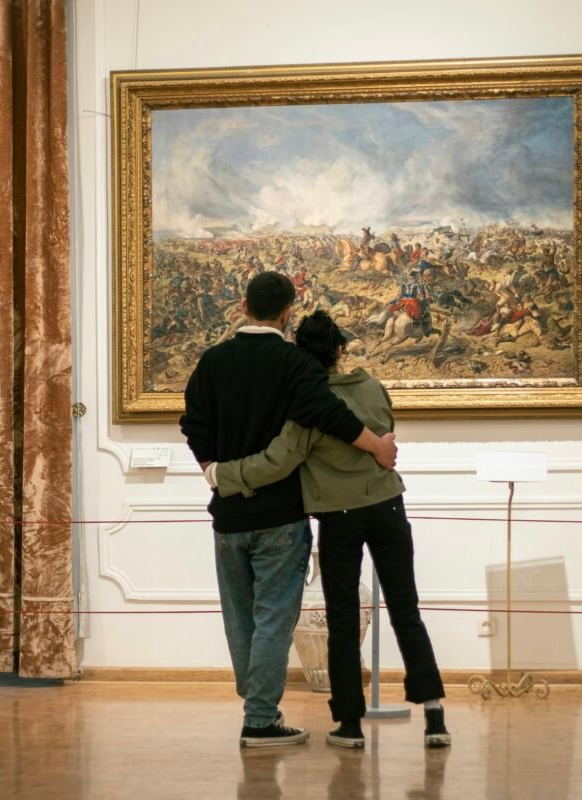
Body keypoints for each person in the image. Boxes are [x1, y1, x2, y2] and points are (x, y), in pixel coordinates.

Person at [210, 310, 450, 750]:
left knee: (343, 619)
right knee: (405, 608)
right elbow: (387, 435)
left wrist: (223, 476)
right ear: (340, 349)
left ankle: (350, 724)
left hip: (340, 517)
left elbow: (278, 462)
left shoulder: (306, 408)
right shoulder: (374, 386)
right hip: (388, 506)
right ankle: (435, 717)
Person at [180, 273, 398, 749]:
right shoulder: (294, 361)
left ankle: (256, 704)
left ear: (242, 306)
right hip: (279, 514)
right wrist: (378, 448)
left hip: (227, 515)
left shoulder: (212, 361)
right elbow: (331, 415)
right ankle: (259, 717)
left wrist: (212, 471)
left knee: (240, 619)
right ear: (287, 313)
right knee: (274, 619)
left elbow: (192, 423)